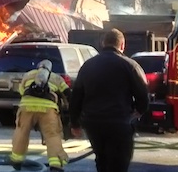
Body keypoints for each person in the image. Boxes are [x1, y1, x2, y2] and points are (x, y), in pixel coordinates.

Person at [69, 29, 149, 172]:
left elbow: (76, 96)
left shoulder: (87, 66)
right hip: (119, 122)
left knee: (102, 160)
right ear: (122, 45)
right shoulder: (130, 65)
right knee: (119, 162)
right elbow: (142, 93)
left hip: (93, 123)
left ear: (103, 43)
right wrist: (140, 110)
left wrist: (75, 123)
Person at [9, 58, 70, 171]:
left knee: (21, 132)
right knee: (52, 135)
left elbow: (22, 91)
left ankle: (16, 160)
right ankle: (56, 164)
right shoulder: (56, 78)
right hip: (49, 109)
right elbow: (67, 93)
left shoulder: (28, 75)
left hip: (27, 107)